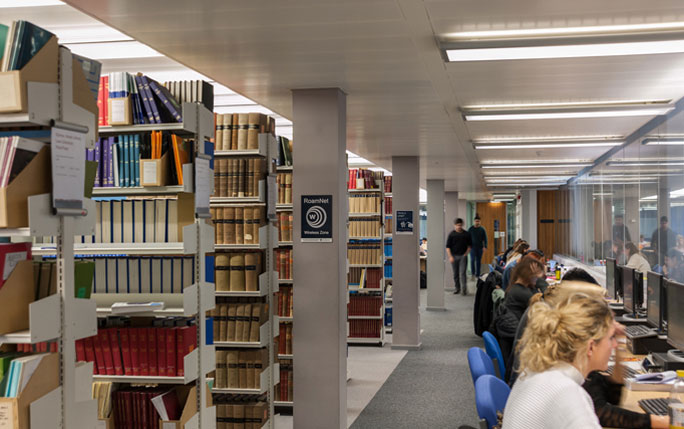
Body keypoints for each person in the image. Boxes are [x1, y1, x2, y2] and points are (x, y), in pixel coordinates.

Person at [502, 294, 616, 429]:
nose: (614, 345)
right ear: (590, 347)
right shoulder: (567, 392)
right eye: (610, 338)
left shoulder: (534, 371)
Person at [495, 257, 545, 362]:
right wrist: (540, 281)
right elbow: (543, 306)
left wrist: (535, 280)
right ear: (529, 275)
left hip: (517, 341)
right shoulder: (521, 292)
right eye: (536, 276)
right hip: (521, 348)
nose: (538, 278)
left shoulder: (516, 287)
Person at [446, 218, 471, 295]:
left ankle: (464, 290)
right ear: (455, 225)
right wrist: (450, 257)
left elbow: (469, 246)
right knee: (455, 274)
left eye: (460, 225)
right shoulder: (451, 234)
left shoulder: (466, 234)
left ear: (462, 225)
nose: (459, 227)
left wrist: (465, 254)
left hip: (463, 256)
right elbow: (448, 247)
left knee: (463, 273)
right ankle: (457, 288)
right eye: (457, 225)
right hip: (454, 256)